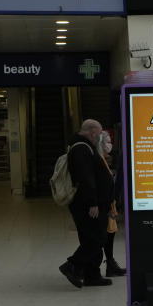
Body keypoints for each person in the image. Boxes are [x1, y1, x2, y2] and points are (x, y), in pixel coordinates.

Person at [59, 119, 114, 288]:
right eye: (99, 134)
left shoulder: (83, 146)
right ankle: (72, 265)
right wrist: (93, 202)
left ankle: (92, 275)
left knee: (90, 237)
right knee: (97, 237)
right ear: (92, 132)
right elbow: (85, 177)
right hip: (88, 204)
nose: (100, 137)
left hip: (91, 202)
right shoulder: (81, 148)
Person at [99, 130, 126, 277]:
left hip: (110, 205)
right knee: (105, 236)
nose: (110, 144)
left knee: (110, 234)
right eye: (107, 142)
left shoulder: (104, 159)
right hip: (106, 206)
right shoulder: (99, 160)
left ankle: (110, 263)